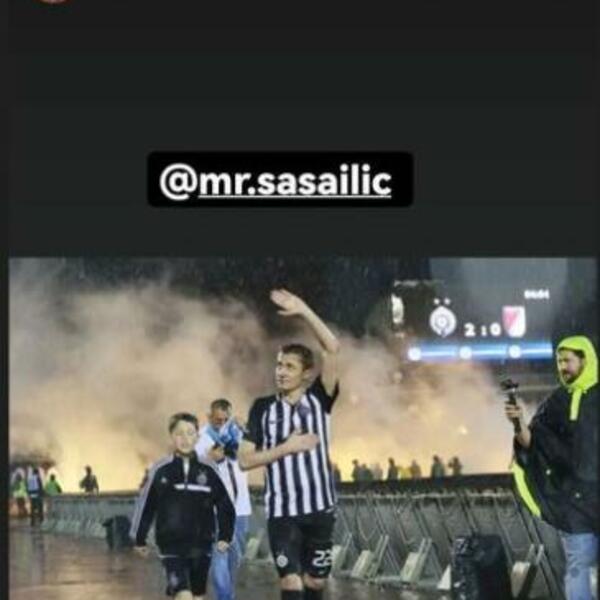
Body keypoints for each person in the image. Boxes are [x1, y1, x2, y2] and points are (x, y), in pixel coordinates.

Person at [239, 289, 341, 600]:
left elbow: (333, 348)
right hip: (282, 513)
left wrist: (304, 310)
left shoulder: (320, 399)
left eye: (289, 367)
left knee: (315, 582)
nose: (281, 372)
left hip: (320, 510)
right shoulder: (262, 408)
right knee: (291, 582)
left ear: (307, 374)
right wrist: (287, 447)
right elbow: (244, 460)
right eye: (279, 365)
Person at [506, 336, 598, 600]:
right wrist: (518, 424)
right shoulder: (555, 402)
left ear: (585, 360)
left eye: (568, 361)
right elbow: (534, 443)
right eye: (559, 361)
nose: (562, 367)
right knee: (578, 567)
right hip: (575, 505)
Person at [131, 412, 235, 600]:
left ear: (197, 436)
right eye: (179, 433)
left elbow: (224, 504)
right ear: (171, 436)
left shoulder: (209, 471)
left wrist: (225, 536)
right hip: (171, 547)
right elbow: (147, 505)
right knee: (183, 595)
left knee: (197, 596)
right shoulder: (161, 471)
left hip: (202, 546)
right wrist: (140, 539)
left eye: (190, 433)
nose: (185, 439)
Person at [195, 399, 251, 600]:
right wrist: (209, 459)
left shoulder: (240, 434)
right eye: (217, 420)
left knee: (234, 561)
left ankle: (227, 595)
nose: (222, 424)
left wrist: (247, 428)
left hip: (241, 509)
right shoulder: (201, 438)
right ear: (209, 417)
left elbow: (260, 449)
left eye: (225, 420)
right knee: (219, 560)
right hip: (216, 511)